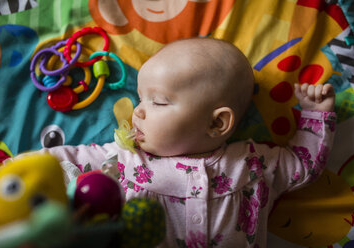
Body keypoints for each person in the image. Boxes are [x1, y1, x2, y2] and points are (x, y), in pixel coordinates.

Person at [28, 38, 337, 247]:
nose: (138, 111)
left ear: (217, 123)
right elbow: (70, 157)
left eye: (158, 102)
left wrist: (315, 115)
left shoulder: (253, 163)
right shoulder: (128, 159)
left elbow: (303, 163)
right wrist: (20, 171)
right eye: (140, 98)